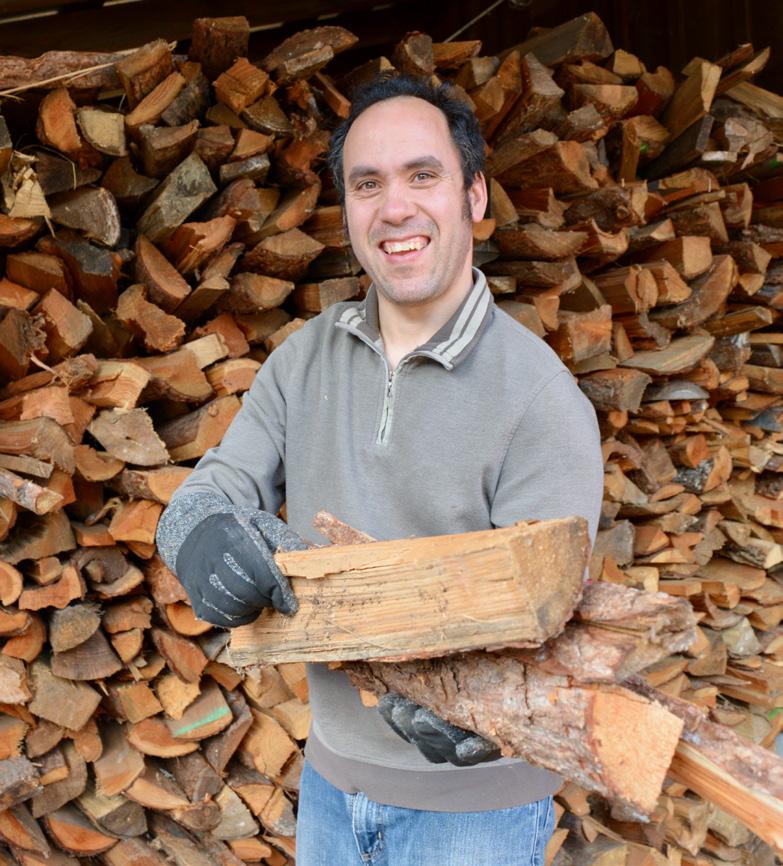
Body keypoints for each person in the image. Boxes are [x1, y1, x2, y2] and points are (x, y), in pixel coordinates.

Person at [156, 74, 604, 866]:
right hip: (331, 786)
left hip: (474, 819)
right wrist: (198, 537)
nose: (394, 208)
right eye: (367, 184)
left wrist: (476, 702)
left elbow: (546, 617)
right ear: (347, 209)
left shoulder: (538, 397)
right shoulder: (302, 360)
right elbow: (210, 492)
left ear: (472, 196)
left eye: (421, 176)